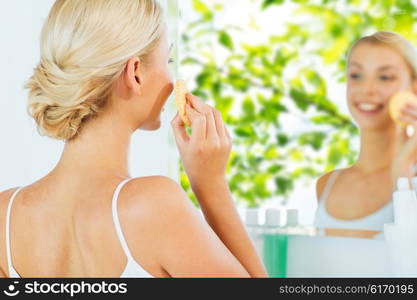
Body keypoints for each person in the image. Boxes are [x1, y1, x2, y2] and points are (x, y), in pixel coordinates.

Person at [0, 0, 267, 278]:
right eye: (169, 61)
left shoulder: (5, 216)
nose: (171, 78)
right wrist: (210, 185)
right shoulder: (154, 206)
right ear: (135, 73)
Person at [314, 31, 417, 236]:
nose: (367, 90)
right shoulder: (326, 185)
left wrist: (402, 175)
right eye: (356, 75)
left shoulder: (411, 180)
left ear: (414, 89)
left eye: (385, 77)